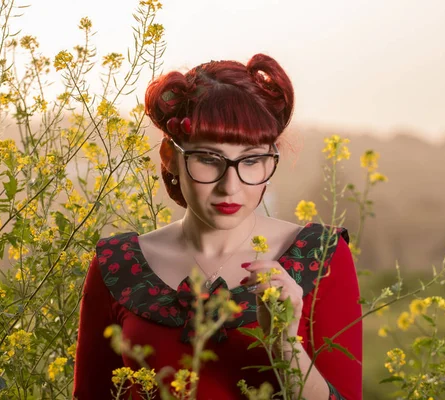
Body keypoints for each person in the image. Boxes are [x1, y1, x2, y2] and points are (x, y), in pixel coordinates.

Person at [73, 54, 362, 399]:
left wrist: (285, 343)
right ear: (170, 157)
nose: (230, 186)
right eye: (209, 160)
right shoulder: (117, 266)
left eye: (252, 160)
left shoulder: (322, 256)